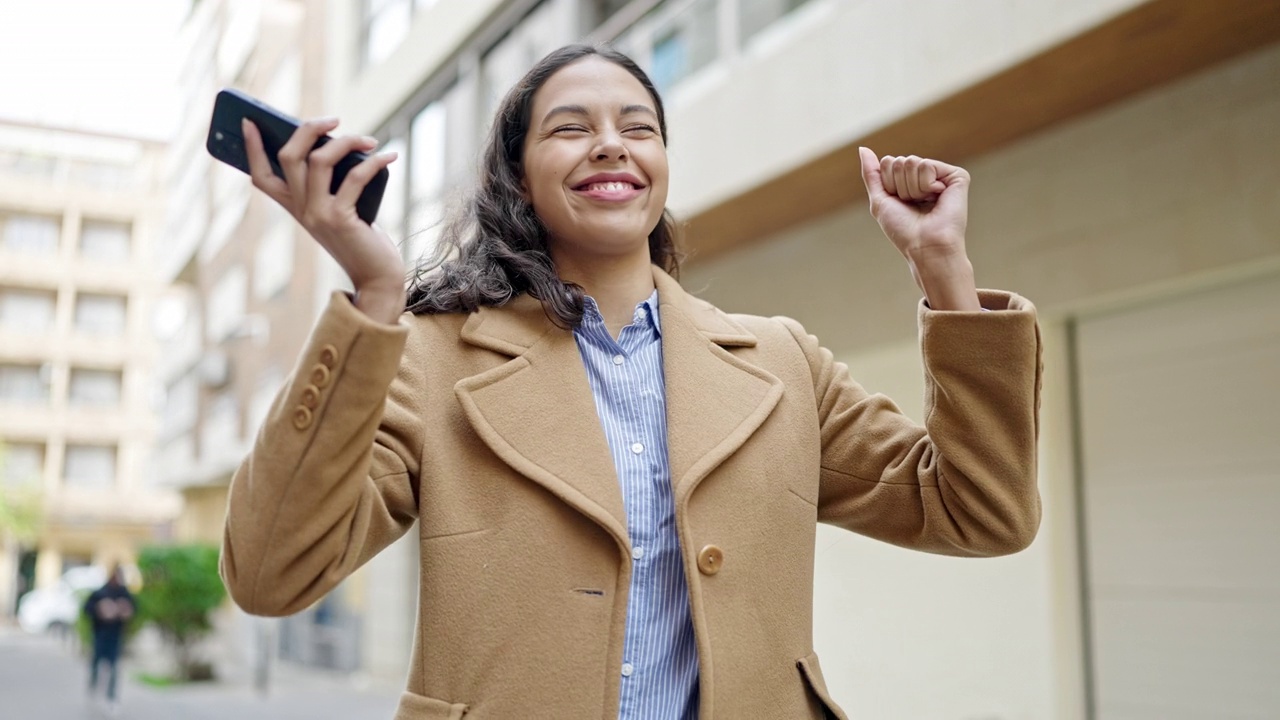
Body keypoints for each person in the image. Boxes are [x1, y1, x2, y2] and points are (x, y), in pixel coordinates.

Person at [221, 44, 1042, 720]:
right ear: (518, 180)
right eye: (570, 129)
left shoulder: (782, 362)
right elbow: (271, 575)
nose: (611, 144)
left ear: (662, 164)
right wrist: (372, 300)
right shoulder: (431, 358)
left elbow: (981, 513)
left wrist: (944, 271)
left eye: (638, 127)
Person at [84, 565, 135, 713]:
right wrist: (100, 609)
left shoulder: (124, 594)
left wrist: (125, 610)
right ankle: (93, 686)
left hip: (115, 636)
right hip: (100, 634)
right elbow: (87, 609)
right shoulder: (100, 593)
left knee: (113, 668)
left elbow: (133, 609)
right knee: (96, 663)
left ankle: (111, 697)